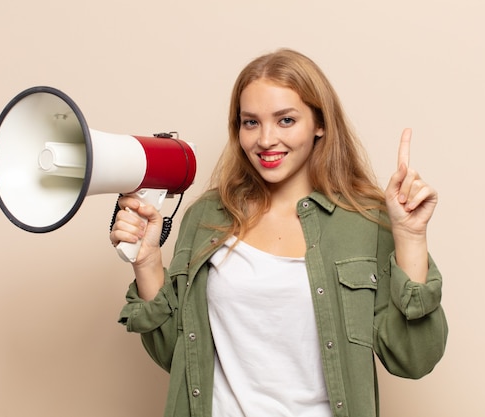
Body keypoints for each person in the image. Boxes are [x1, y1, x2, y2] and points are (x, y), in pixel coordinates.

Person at [110, 48, 448, 417]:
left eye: (285, 120)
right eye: (251, 122)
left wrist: (411, 238)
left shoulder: (367, 221)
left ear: (320, 123)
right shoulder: (207, 217)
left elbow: (414, 360)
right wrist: (147, 263)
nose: (266, 139)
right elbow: (178, 357)